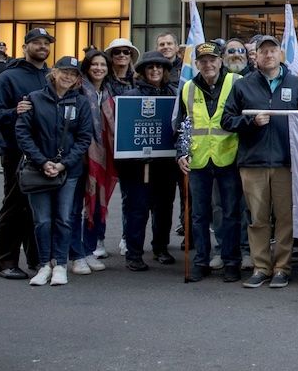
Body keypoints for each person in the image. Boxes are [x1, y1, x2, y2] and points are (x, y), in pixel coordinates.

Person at [222, 36, 298, 289]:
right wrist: (250, 122)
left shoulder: (295, 84)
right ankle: (261, 267)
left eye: (273, 50)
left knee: (284, 218)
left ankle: (282, 268)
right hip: (253, 162)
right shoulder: (243, 86)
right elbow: (227, 120)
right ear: (256, 57)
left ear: (280, 54)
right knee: (258, 219)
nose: (268, 55)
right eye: (263, 51)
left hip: (286, 162)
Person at [15, 56, 93, 286]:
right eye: (65, 71)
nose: (68, 77)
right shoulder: (34, 99)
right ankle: (43, 264)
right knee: (42, 220)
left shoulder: (80, 103)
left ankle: (60, 264)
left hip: (69, 171)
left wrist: (63, 163)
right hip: (39, 169)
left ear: (78, 79)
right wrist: (42, 162)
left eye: (74, 74)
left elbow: (84, 138)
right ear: (54, 72)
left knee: (64, 219)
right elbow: (23, 134)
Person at [175, 42, 244, 283]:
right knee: (198, 215)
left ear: (221, 60)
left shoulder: (236, 82)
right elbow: (182, 126)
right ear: (197, 64)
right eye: (203, 61)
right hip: (198, 159)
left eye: (212, 59)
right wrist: (181, 153)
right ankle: (200, 261)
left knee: (231, 214)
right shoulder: (188, 89)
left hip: (228, 156)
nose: (208, 64)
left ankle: (231, 261)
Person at [0, 29, 54, 280]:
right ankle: (5, 262)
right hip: (16, 152)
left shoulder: (50, 76)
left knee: (36, 207)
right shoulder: (8, 77)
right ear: (25, 46)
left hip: (44, 153)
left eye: (46, 43)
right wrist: (14, 111)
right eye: (36, 42)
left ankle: (36, 260)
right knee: (15, 206)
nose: (42, 46)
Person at [115, 51, 180, 270]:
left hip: (166, 164)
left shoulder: (174, 94)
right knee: (137, 209)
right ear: (142, 71)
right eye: (150, 67)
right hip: (136, 165)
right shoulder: (130, 96)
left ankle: (160, 247)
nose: (155, 71)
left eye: (159, 68)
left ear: (164, 71)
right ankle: (134, 254)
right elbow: (122, 130)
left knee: (164, 207)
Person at [75, 51, 115, 266]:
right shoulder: (79, 90)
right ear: (87, 67)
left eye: (103, 65)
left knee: (97, 205)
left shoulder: (108, 92)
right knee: (73, 209)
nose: (99, 68)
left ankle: (89, 249)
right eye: (94, 64)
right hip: (80, 157)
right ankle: (75, 253)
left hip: (103, 158)